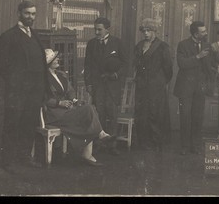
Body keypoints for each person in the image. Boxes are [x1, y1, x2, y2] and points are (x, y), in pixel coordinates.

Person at [0, 0, 49, 174]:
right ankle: (8, 161)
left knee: (29, 124)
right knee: (12, 124)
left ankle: (24, 157)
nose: (30, 17)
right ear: (19, 14)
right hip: (17, 91)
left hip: (35, 91)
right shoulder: (8, 36)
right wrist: (15, 81)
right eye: (27, 13)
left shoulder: (36, 35)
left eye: (33, 14)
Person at [44, 49, 114, 166]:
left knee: (88, 110)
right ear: (48, 63)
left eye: (56, 57)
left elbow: (70, 90)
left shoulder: (61, 75)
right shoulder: (44, 79)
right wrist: (59, 103)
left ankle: (91, 149)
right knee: (88, 111)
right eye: (54, 58)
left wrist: (74, 100)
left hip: (67, 110)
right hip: (55, 114)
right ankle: (97, 139)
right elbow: (43, 99)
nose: (57, 59)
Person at [84, 17, 128, 155]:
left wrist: (116, 75)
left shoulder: (117, 43)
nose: (97, 32)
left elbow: (125, 64)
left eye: (99, 29)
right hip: (98, 86)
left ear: (107, 29)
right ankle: (99, 144)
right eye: (95, 29)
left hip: (113, 85)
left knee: (112, 113)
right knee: (99, 114)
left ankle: (112, 146)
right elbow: (88, 65)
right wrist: (89, 84)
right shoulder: (91, 44)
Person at [133, 18, 173, 151]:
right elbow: (136, 65)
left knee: (155, 113)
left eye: (149, 30)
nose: (146, 33)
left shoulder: (163, 47)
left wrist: (160, 81)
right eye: (144, 31)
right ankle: (143, 142)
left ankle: (156, 142)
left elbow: (168, 69)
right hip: (141, 85)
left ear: (154, 31)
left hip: (156, 86)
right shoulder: (139, 46)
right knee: (142, 113)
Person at [174, 21, 213, 155]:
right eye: (203, 31)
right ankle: (184, 147)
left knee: (198, 117)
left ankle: (195, 146)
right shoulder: (183, 45)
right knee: (185, 117)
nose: (206, 33)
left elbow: (209, 66)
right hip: (185, 88)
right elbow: (182, 64)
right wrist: (198, 56)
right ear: (196, 34)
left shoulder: (207, 46)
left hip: (200, 88)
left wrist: (216, 68)